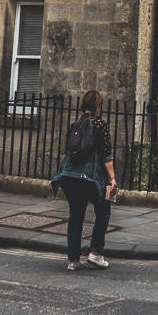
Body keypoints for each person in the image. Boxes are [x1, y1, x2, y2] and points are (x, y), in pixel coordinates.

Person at [52, 89, 119, 271]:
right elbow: (106, 155)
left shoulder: (75, 124)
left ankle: (73, 260)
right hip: (92, 178)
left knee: (75, 217)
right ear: (98, 106)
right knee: (103, 212)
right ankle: (95, 253)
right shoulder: (100, 125)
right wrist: (112, 179)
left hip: (70, 176)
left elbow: (69, 150)